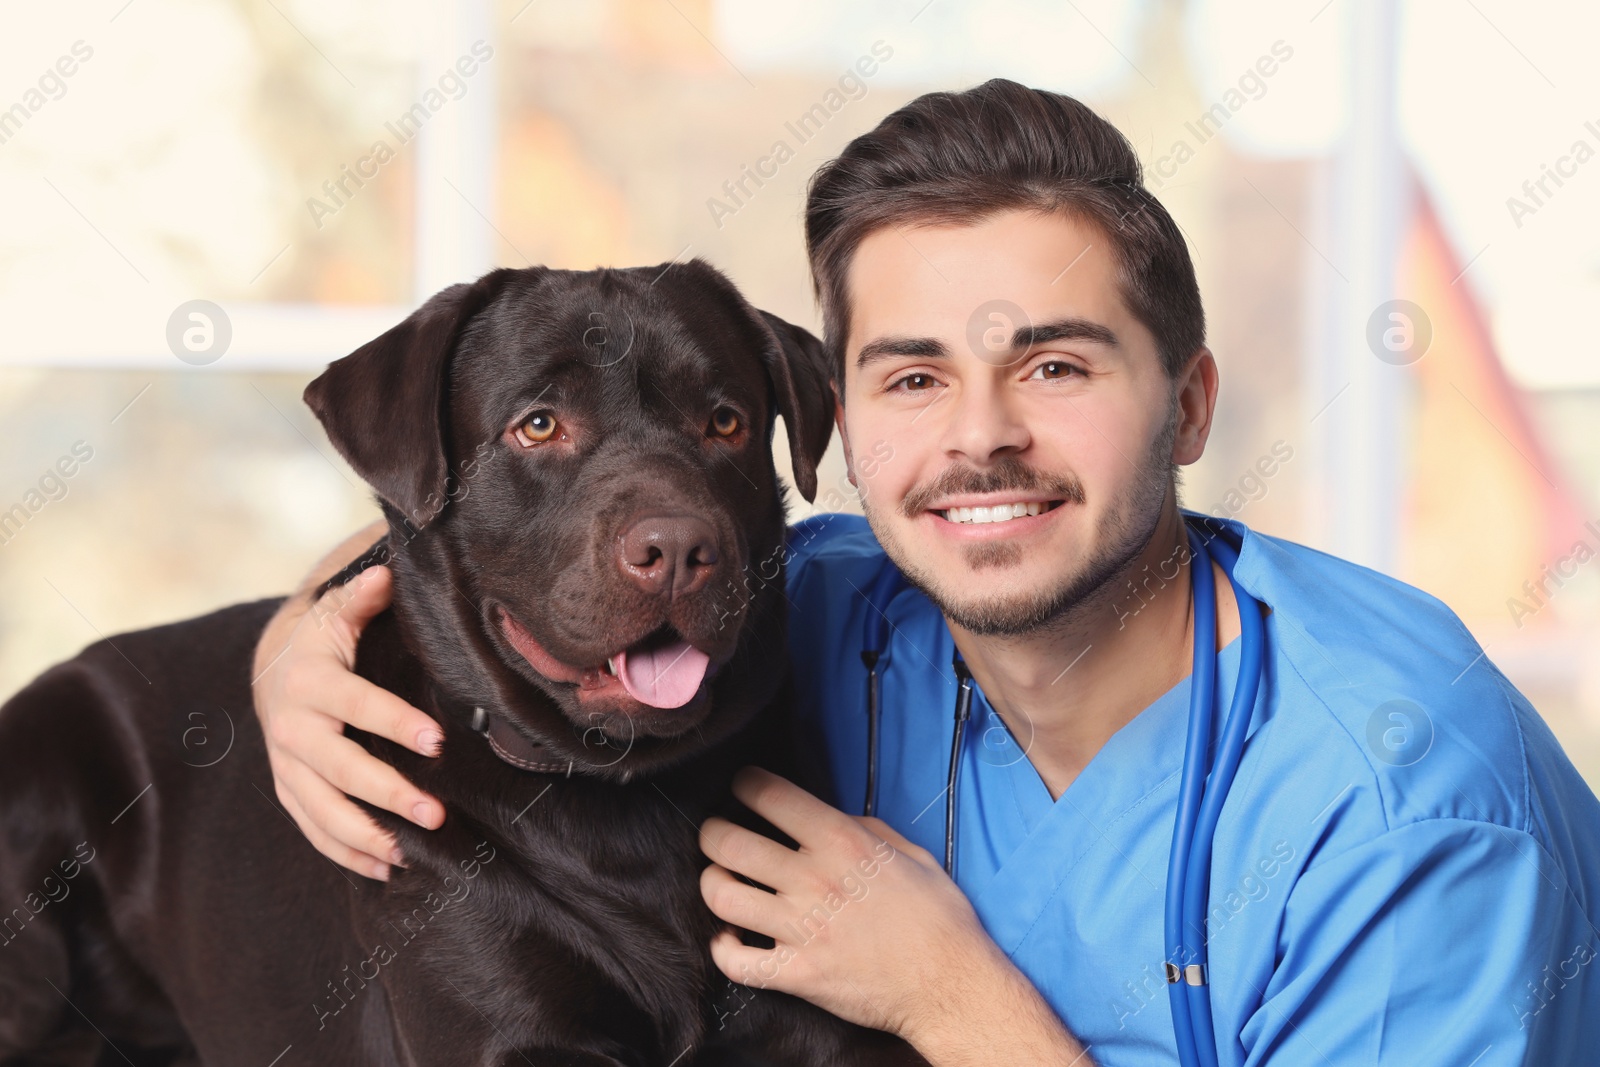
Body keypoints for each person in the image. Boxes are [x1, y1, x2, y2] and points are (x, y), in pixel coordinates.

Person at [252, 79, 1600, 1065]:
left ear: (1189, 408)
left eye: (1056, 366)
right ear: (838, 425)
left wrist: (948, 1000)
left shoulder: (1410, 815)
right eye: (913, 377)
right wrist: (299, 648)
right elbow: (528, 541)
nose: (979, 438)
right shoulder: (834, 611)